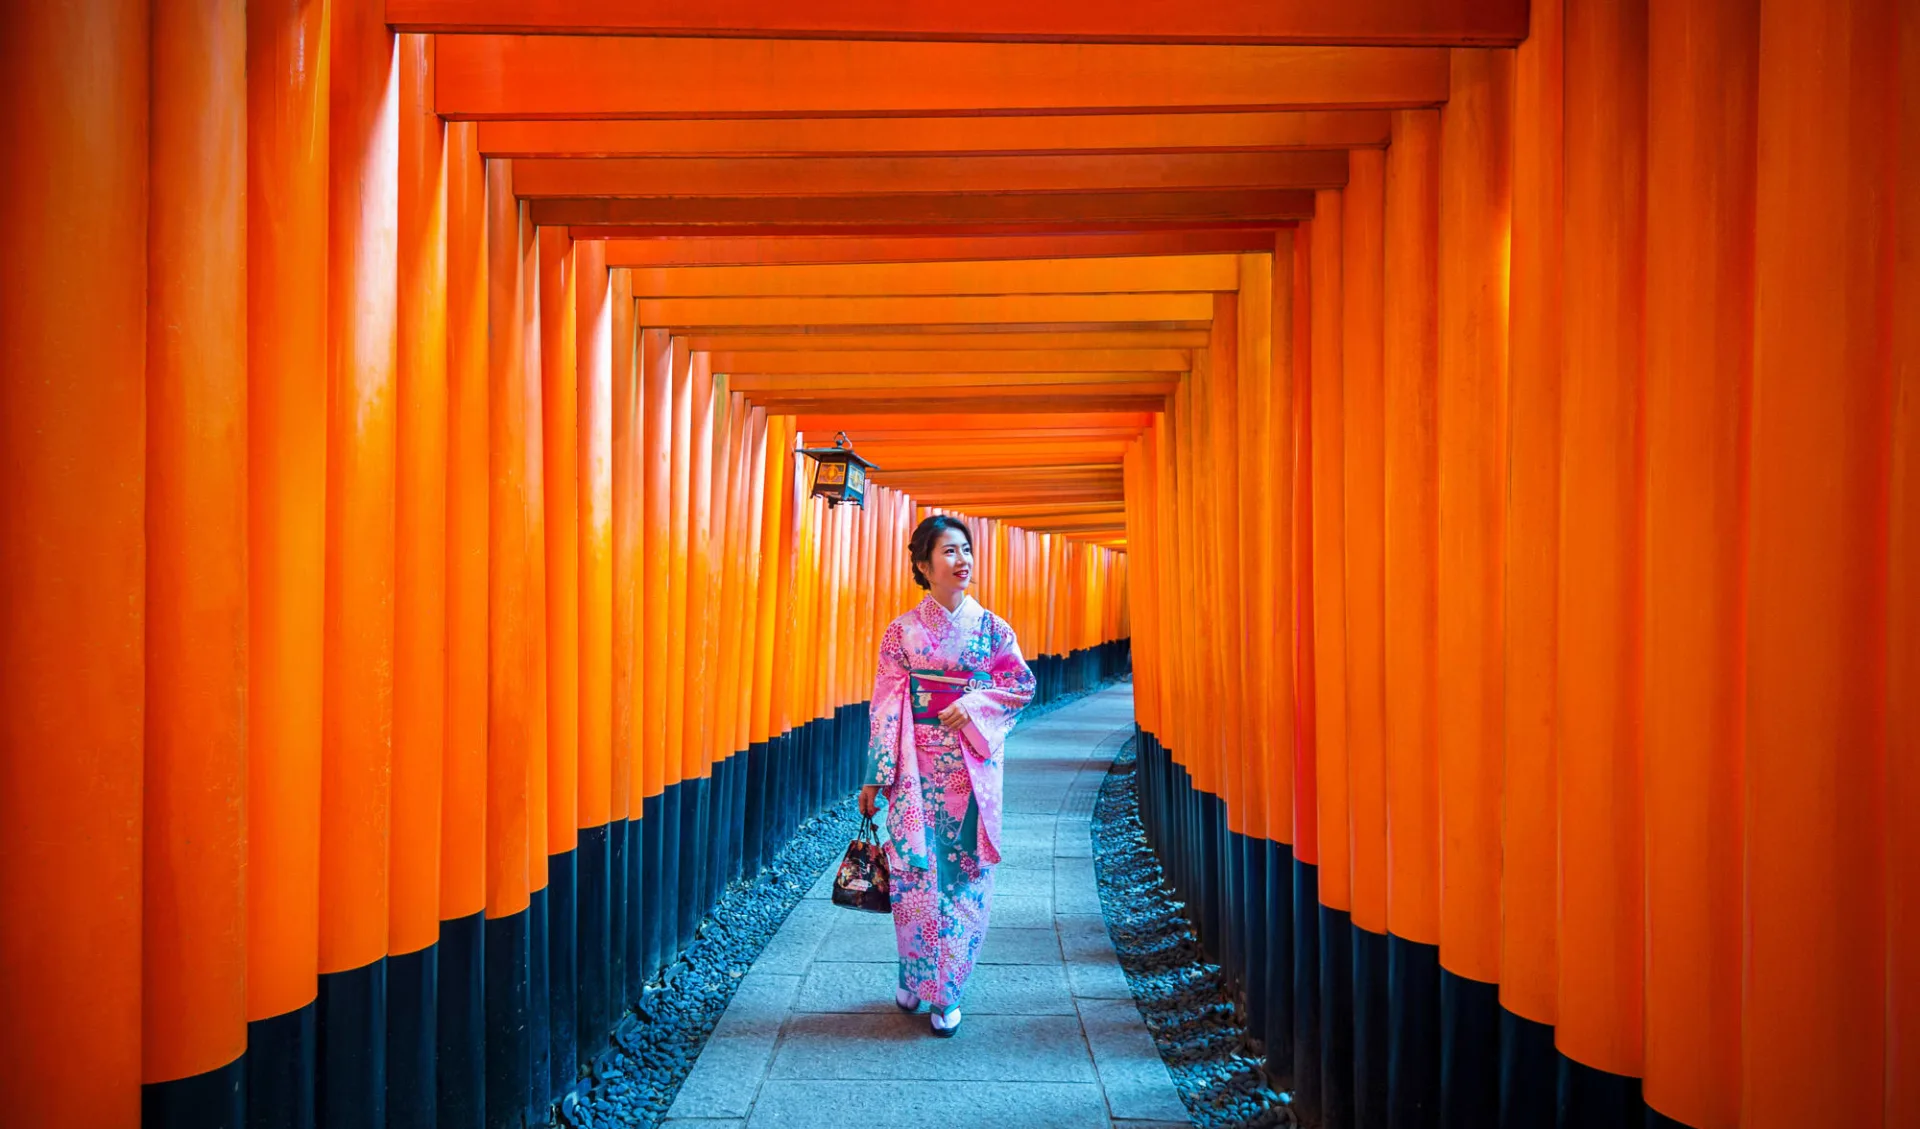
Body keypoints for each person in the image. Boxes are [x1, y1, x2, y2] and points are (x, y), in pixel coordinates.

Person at [859, 514, 1036, 1037]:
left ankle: (949, 989)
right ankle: (915, 975)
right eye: (950, 552)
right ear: (923, 565)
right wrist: (875, 778)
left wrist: (975, 702)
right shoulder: (902, 633)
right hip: (916, 770)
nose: (963, 562)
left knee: (964, 878)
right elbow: (887, 706)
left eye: (966, 550)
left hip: (970, 770)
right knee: (915, 874)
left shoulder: (993, 630)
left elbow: (1020, 686)